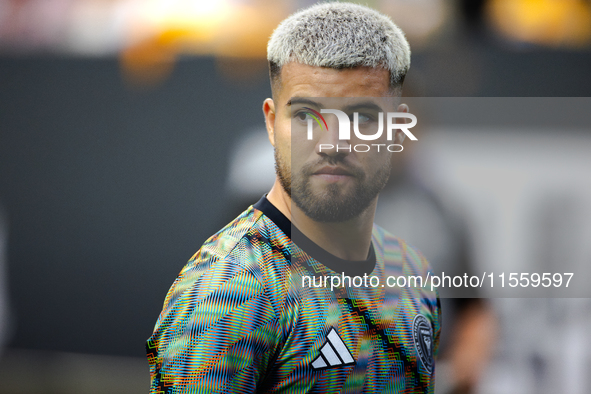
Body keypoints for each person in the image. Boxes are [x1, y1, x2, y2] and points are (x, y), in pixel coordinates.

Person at [147, 3, 440, 393]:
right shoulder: (228, 290)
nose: (333, 143)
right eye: (306, 115)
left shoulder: (412, 272)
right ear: (271, 123)